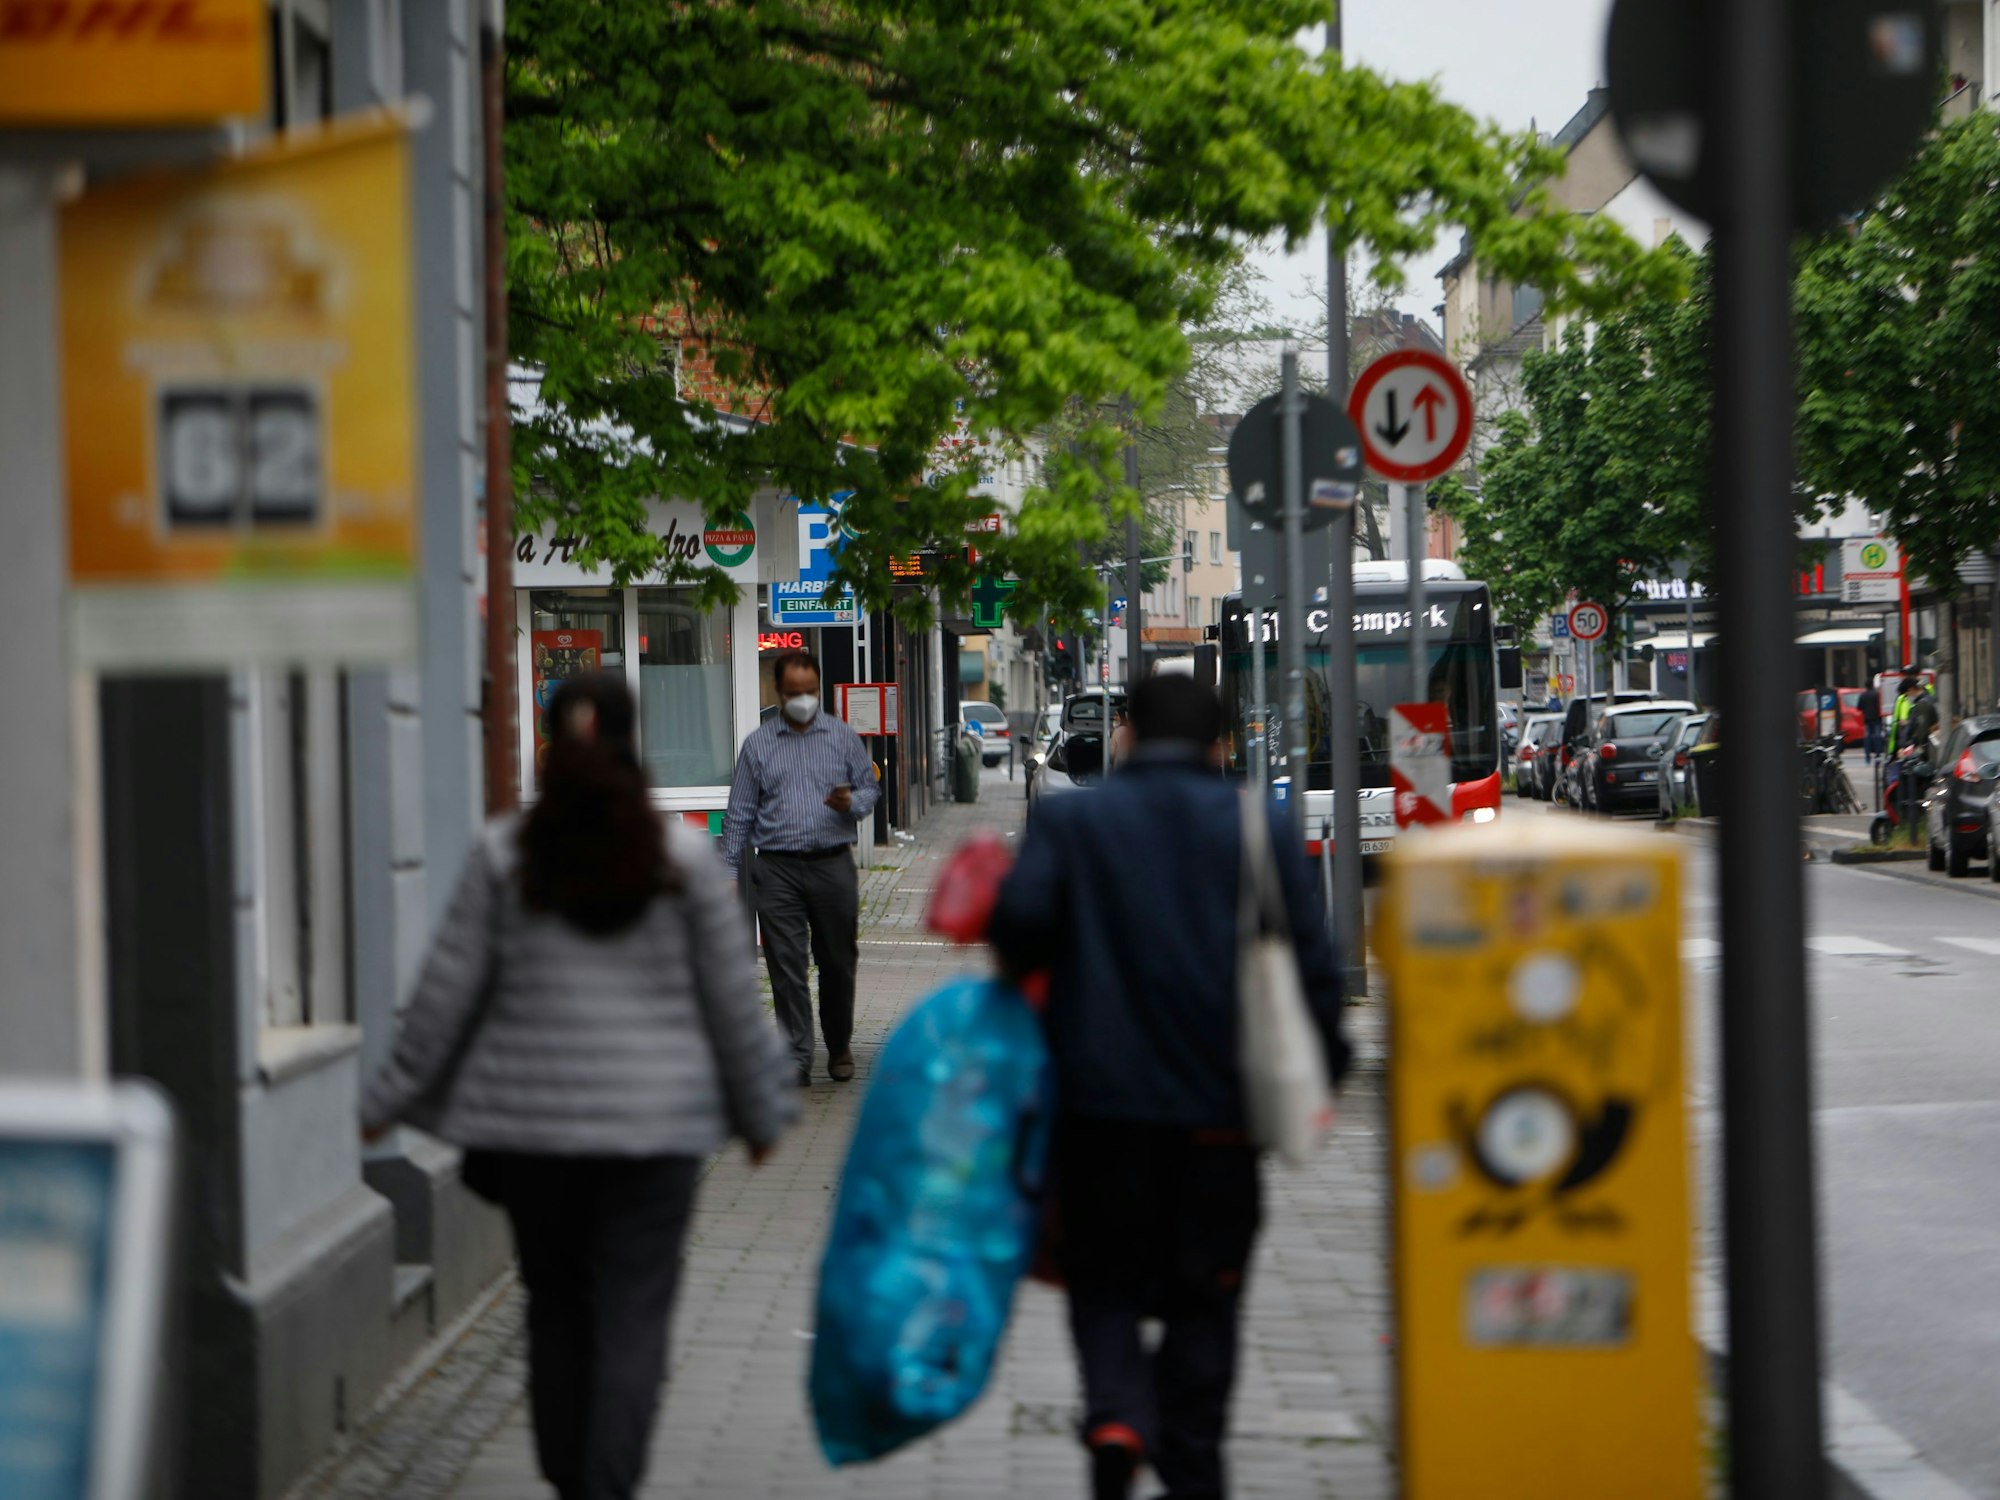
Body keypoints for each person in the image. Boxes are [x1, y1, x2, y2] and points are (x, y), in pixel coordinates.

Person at [361, 674, 795, 1500]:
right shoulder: (681, 862)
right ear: (636, 744)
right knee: (632, 1320)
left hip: (534, 1142)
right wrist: (761, 1112)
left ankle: (570, 1479)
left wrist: (383, 1107)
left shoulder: (504, 857)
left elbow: (442, 997)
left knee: (556, 1313)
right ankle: (609, 1484)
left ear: (552, 743)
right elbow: (733, 1002)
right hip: (656, 1139)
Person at [987, 674, 1350, 1500]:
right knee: (1204, 1300)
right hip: (1219, 1119)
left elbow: (1018, 931)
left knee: (1105, 1279)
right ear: (1222, 743)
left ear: (1126, 734)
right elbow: (1315, 974)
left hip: (1097, 1113)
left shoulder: (1075, 821)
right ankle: (1191, 1458)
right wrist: (1321, 1076)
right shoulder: (1258, 826)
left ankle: (1115, 1412)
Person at [722, 649, 881, 1086]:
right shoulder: (758, 746)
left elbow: (869, 791)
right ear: (779, 691)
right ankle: (795, 1056)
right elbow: (739, 813)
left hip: (832, 866)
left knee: (837, 961)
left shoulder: (843, 737)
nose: (804, 699)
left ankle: (840, 1044)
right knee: (786, 965)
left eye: (811, 691)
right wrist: (727, 874)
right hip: (777, 871)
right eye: (795, 693)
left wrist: (853, 803)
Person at [1857, 680, 1882, 765]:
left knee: (1867, 738)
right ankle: (1878, 755)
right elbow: (1880, 706)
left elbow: (1859, 707)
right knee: (1877, 737)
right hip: (1876, 719)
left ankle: (1867, 758)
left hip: (1867, 719)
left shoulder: (1863, 695)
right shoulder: (1876, 694)